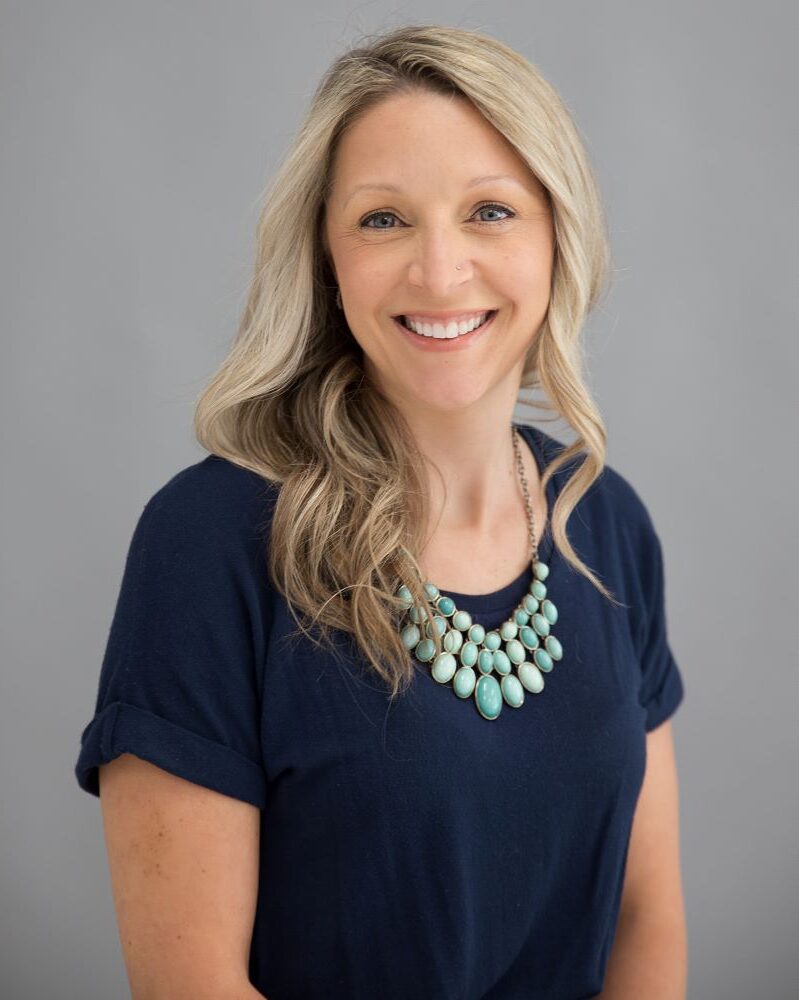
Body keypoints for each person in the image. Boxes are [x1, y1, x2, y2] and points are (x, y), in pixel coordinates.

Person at [74, 23, 687, 1000]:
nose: (439, 272)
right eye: (383, 219)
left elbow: (646, 921)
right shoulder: (210, 542)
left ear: (557, 237)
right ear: (325, 255)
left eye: (490, 211)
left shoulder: (603, 524)